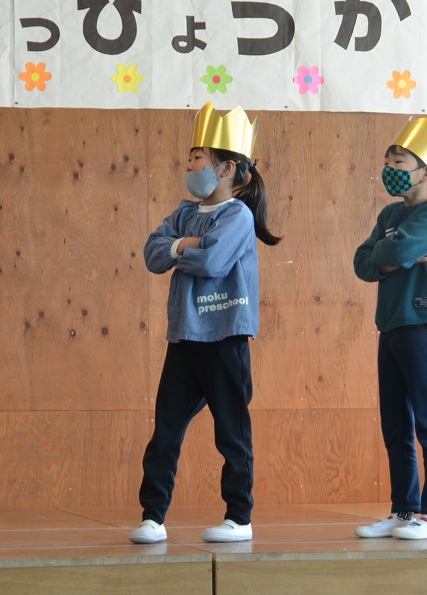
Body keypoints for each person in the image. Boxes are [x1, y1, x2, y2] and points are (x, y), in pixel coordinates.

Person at [129, 102, 282, 545]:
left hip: (225, 339)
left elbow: (214, 263)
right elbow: (152, 254)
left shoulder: (238, 216)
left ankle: (239, 517)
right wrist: (187, 244)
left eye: (197, 157)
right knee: (165, 431)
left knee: (231, 433)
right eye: (190, 157)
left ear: (226, 168)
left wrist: (180, 249)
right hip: (184, 338)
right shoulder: (184, 213)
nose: (190, 165)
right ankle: (153, 517)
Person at [352, 117, 427, 541]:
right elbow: (363, 263)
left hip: (423, 325)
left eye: (398, 162)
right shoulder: (389, 213)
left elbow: (392, 250)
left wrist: (392, 254)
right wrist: (396, 255)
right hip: (391, 326)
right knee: (396, 425)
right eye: (387, 162)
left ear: (426, 171)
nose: (390, 169)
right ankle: (404, 510)